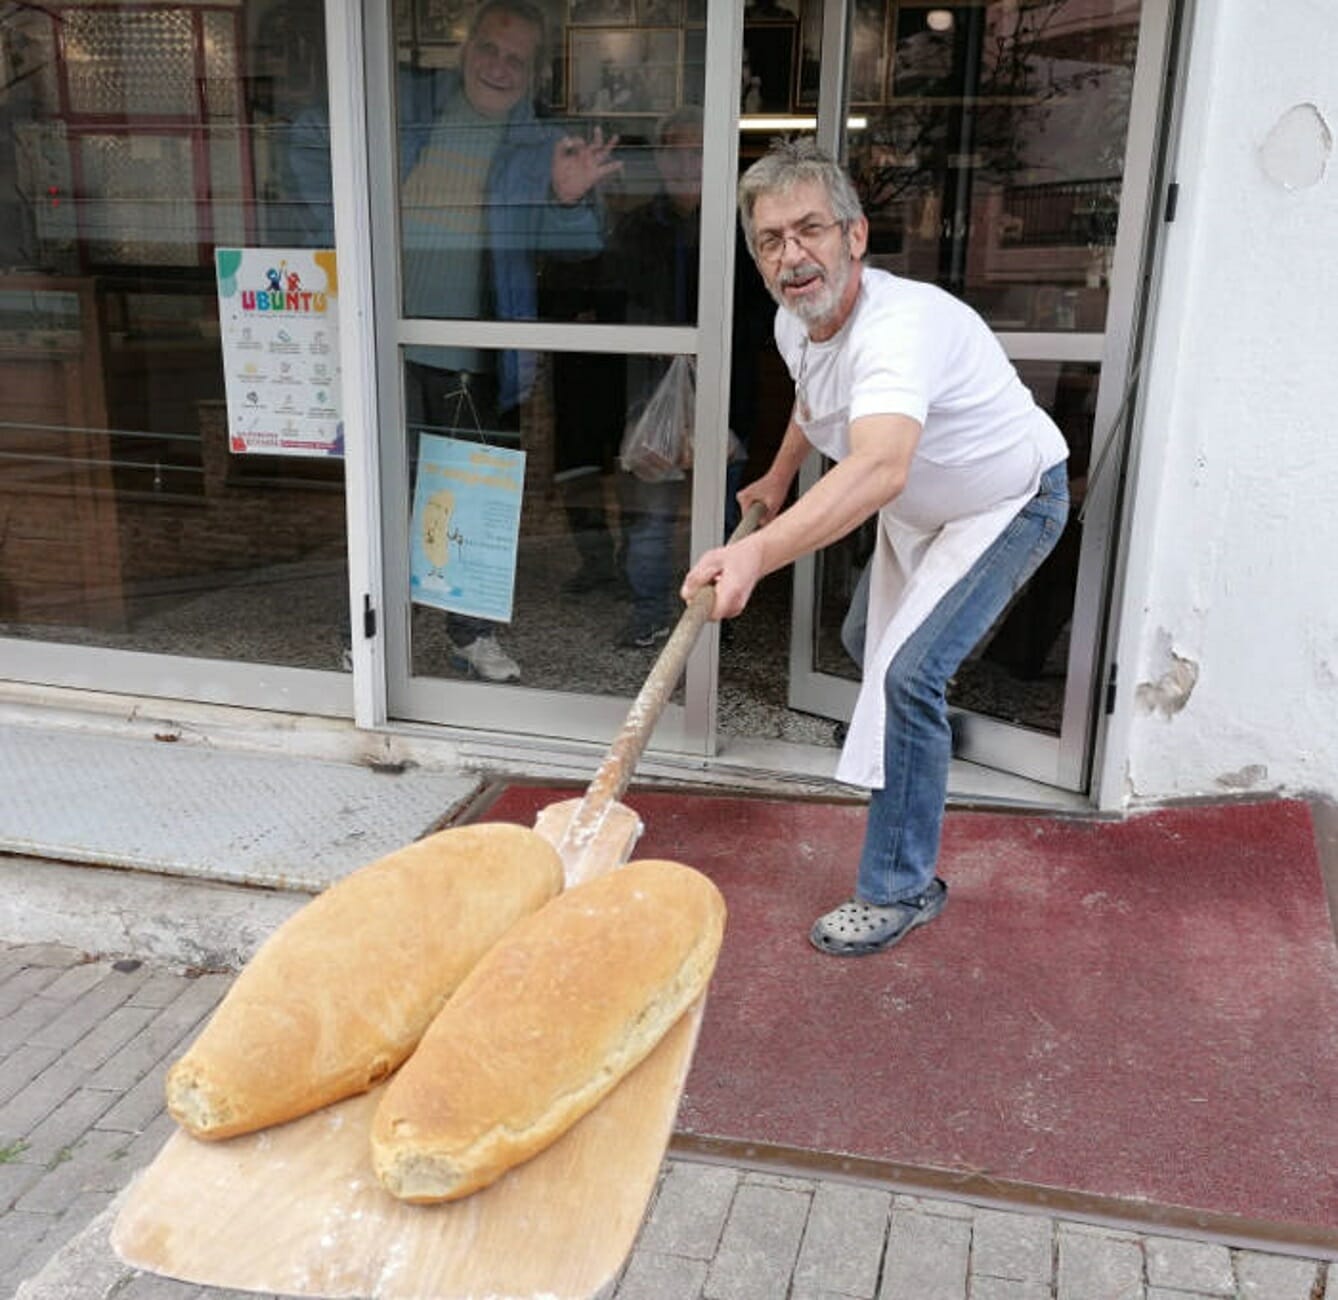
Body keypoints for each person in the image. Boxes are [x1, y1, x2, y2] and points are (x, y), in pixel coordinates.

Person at [682, 139, 1070, 956]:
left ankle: (902, 886)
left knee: (905, 674)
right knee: (868, 644)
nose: (792, 256)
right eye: (770, 240)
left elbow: (881, 465)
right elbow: (812, 397)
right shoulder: (803, 321)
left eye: (810, 229)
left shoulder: (902, 325)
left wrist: (756, 555)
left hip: (1007, 501)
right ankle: (921, 738)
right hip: (926, 509)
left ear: (855, 236)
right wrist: (780, 476)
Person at [397, 0, 621, 681]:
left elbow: (578, 245)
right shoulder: (407, 113)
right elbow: (315, 143)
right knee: (388, 494)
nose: (498, 66)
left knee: (473, 500)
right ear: (465, 49)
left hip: (476, 359)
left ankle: (471, 637)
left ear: (532, 73)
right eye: (489, 49)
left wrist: (567, 199)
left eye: (515, 59)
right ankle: (375, 633)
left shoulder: (536, 145)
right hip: (391, 345)